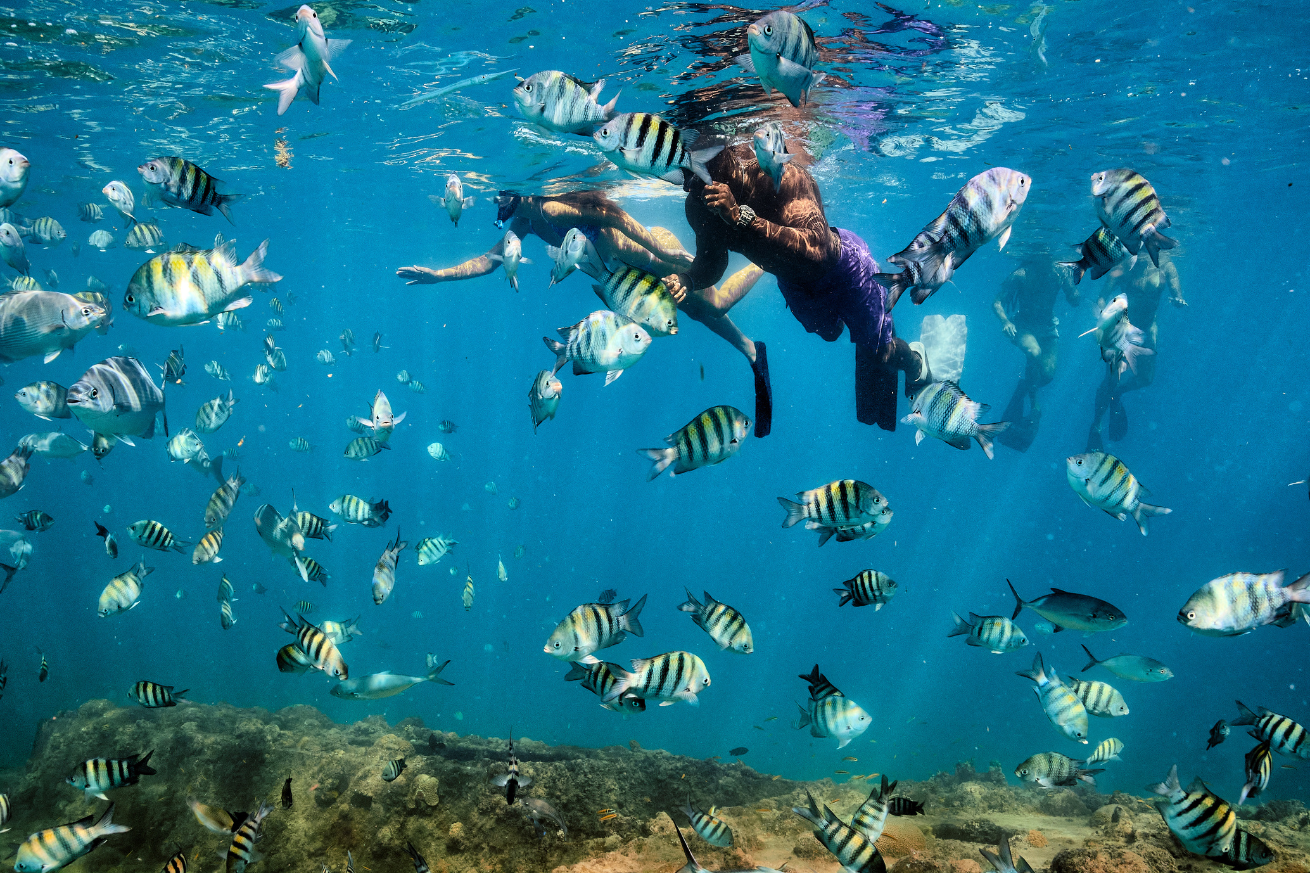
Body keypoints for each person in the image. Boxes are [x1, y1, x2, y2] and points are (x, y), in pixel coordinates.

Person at [396, 190, 771, 434]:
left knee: (714, 303)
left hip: (641, 253)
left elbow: (614, 217)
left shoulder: (555, 199)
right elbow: (492, 260)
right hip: (619, 273)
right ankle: (752, 351)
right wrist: (438, 277)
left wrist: (668, 256)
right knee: (695, 312)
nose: (506, 207)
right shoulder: (524, 219)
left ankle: (768, 261)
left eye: (509, 201)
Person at [663, 144, 929, 432]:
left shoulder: (778, 176)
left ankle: (915, 361)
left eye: (704, 165)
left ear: (729, 156)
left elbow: (818, 248)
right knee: (830, 334)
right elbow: (712, 261)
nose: (695, 182)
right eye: (687, 173)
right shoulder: (698, 203)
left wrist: (742, 217)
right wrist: (689, 279)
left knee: (879, 354)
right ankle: (873, 330)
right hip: (795, 284)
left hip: (844, 270)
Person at [1086, 252, 1185, 450]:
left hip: (1148, 328)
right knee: (1112, 378)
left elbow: (1176, 291)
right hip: (1123, 328)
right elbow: (1102, 297)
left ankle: (1117, 395)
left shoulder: (1166, 264)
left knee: (1146, 379)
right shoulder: (1123, 266)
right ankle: (1096, 426)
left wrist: (1178, 298)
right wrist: (1103, 321)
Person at [992, 255, 1080, 451]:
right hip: (1023, 326)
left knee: (1048, 374)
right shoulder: (1021, 275)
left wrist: (1075, 295)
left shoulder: (1060, 272)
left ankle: (1022, 391)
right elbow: (996, 302)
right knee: (1034, 351)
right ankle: (1035, 408)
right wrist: (1006, 322)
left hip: (1048, 327)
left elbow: (1074, 298)